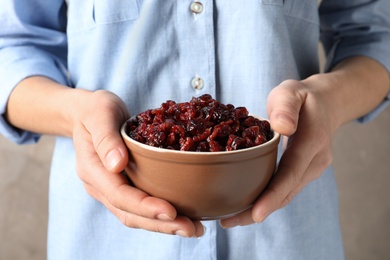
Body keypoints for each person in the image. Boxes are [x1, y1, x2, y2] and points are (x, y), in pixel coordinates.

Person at [1, 0, 389, 259]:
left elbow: (375, 35)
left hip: (287, 234)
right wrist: (73, 112)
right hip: (105, 237)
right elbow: (12, 46)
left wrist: (331, 99)